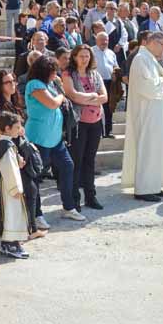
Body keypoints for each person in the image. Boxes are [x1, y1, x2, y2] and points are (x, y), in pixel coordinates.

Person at [24, 56, 85, 222]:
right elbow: (52, 103)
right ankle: (36, 214)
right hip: (38, 138)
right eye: (52, 71)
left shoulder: (51, 84)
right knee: (36, 176)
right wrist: (61, 96)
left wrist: (59, 88)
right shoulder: (34, 84)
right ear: (44, 71)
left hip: (55, 138)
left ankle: (68, 206)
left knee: (67, 166)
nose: (55, 74)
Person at [0, 68, 46, 234]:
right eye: (8, 82)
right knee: (22, 191)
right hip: (10, 154)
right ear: (0, 86)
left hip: (20, 150)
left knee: (31, 189)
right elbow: (1, 136)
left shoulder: (14, 103)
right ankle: (28, 230)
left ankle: (31, 228)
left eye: (13, 81)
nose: (13, 84)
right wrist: (16, 156)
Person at [122, 32, 163, 202]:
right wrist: (162, 81)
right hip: (147, 113)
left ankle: (155, 184)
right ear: (153, 43)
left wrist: (162, 63)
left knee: (158, 149)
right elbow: (148, 87)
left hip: (158, 112)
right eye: (162, 45)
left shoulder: (153, 58)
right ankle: (143, 188)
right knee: (148, 149)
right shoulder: (140, 59)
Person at [62, 45, 107, 211]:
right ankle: (74, 198)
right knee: (76, 161)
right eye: (81, 56)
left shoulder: (95, 74)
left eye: (87, 56)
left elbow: (105, 97)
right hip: (78, 123)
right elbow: (72, 95)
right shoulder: (68, 74)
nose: (84, 59)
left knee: (89, 160)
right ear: (74, 57)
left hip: (95, 122)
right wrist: (93, 97)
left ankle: (90, 196)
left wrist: (88, 99)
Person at [0, 112, 30, 259]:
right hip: (9, 187)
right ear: (7, 128)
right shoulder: (6, 146)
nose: (20, 129)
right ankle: (9, 244)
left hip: (6, 185)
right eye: (17, 126)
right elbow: (8, 168)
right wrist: (16, 188)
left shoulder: (5, 144)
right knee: (11, 214)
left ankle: (13, 242)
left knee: (12, 214)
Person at [92, 32, 119, 139]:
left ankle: (109, 131)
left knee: (109, 108)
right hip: (96, 83)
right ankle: (99, 132)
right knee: (98, 108)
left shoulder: (111, 53)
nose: (104, 42)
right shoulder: (91, 51)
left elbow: (115, 66)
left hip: (109, 83)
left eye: (106, 40)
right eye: (102, 40)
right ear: (96, 40)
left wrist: (115, 73)